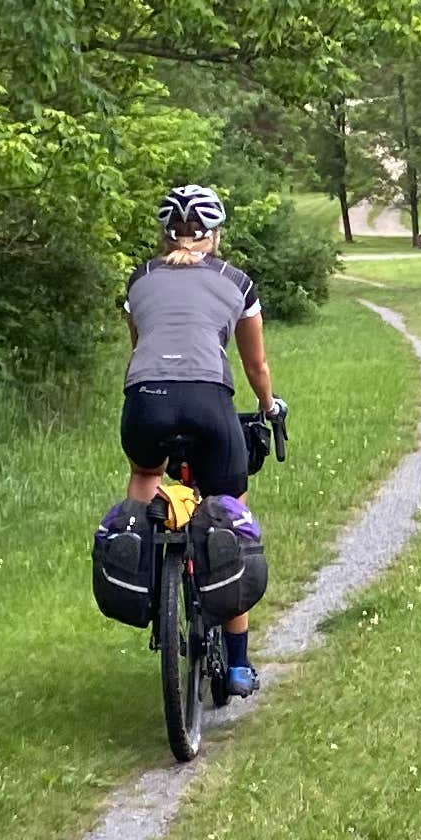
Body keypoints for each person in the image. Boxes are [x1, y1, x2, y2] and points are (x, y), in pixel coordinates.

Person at [121, 184, 283, 691]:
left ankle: (145, 576)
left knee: (147, 473)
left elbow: (142, 345)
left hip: (145, 399)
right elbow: (254, 364)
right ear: (214, 235)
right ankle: (237, 665)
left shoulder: (140, 279)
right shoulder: (237, 281)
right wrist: (267, 406)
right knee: (228, 515)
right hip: (210, 401)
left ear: (163, 233)